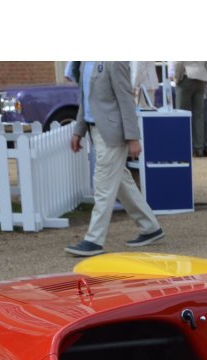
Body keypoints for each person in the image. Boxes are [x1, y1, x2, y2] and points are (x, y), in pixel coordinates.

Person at [65, 62, 164, 257]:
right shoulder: (85, 62)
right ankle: (150, 227)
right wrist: (78, 131)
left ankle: (94, 240)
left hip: (112, 133)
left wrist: (133, 138)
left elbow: (126, 100)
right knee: (120, 182)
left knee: (103, 186)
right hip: (96, 131)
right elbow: (86, 100)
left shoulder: (114, 60)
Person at [173, 61, 207, 158]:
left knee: (182, 115)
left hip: (186, 77)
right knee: (199, 116)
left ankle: (186, 148)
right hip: (201, 79)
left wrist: (177, 77)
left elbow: (178, 62)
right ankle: (199, 148)